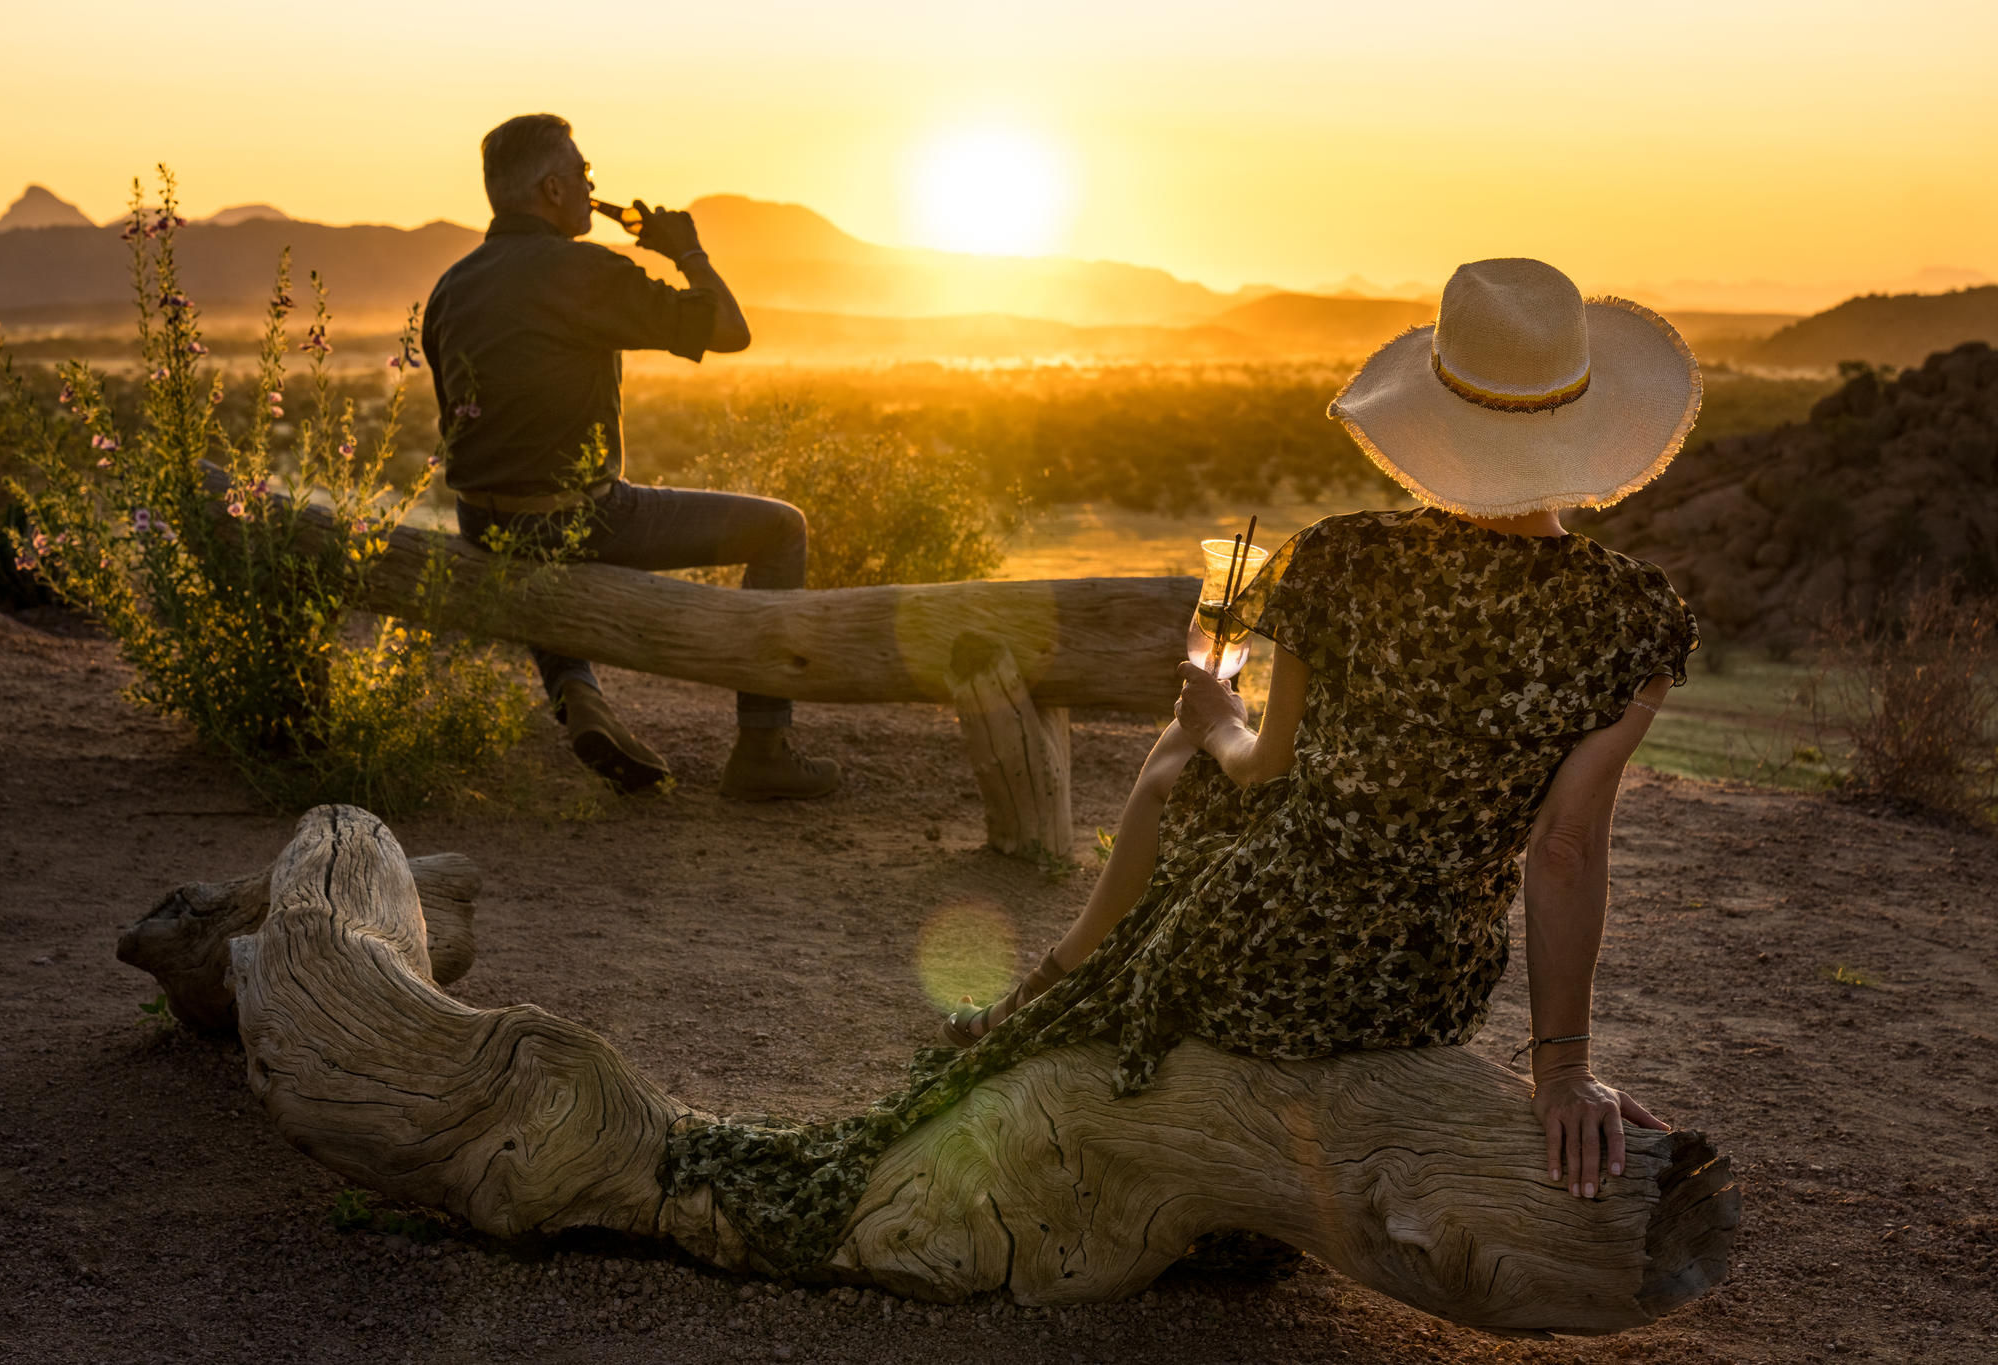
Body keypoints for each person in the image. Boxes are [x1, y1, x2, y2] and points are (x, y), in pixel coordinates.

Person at [665, 256, 1702, 1273]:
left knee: (1187, 759)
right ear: (1579, 415)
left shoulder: (1339, 559)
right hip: (1416, 987)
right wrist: (1560, 1071)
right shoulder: (1630, 617)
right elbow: (1561, 853)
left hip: (1265, 948)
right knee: (1204, 783)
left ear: (1435, 411)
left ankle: (1048, 992)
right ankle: (1056, 1002)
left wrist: (1212, 717)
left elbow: (1262, 772)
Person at [423, 113, 840, 801]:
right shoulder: (584, 272)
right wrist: (686, 252)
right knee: (781, 527)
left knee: (529, 519)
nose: (595, 187)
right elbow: (731, 331)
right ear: (553, 190)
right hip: (583, 521)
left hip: (483, 524)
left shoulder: (451, 286)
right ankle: (764, 748)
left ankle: (576, 687)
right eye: (585, 175)